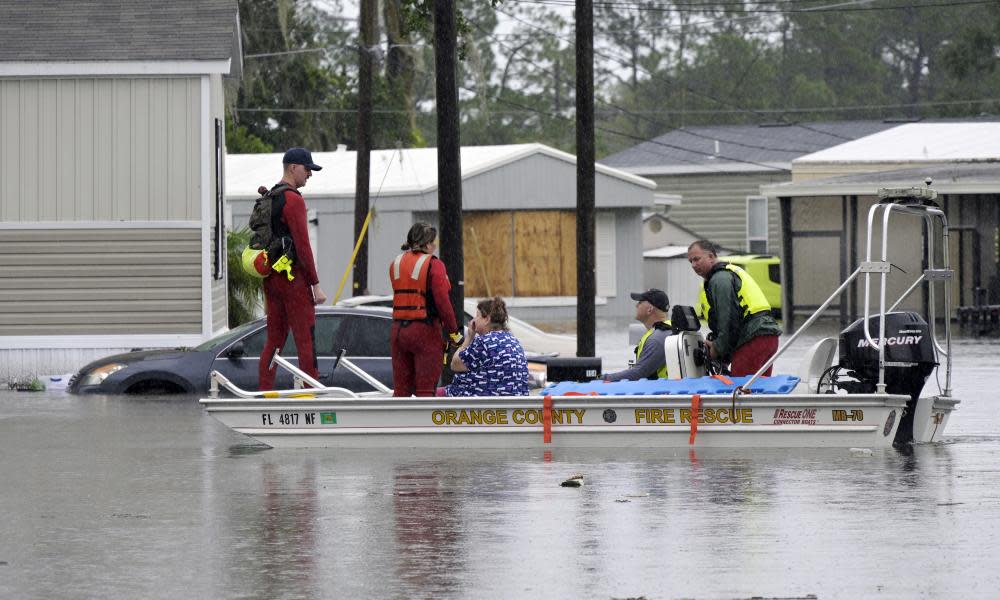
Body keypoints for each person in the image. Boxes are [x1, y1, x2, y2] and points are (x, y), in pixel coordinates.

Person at [259, 147, 328, 390]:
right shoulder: (293, 199)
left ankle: (265, 391)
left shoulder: (270, 197)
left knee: (274, 341)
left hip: (271, 279)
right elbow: (303, 246)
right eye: (307, 169)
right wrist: (315, 285)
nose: (310, 174)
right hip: (293, 280)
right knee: (305, 340)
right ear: (293, 168)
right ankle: (311, 395)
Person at [687, 239, 782, 377]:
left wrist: (717, 348)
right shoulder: (729, 272)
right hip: (769, 337)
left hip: (753, 338)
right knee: (759, 392)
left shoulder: (720, 279)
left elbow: (728, 318)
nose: (694, 265)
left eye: (697, 259)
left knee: (739, 392)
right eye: (691, 262)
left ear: (711, 257)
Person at [390, 223, 461, 396]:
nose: (434, 246)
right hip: (425, 332)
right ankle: (423, 424)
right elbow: (443, 303)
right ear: (427, 244)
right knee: (425, 392)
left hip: (398, 332)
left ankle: (400, 423)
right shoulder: (434, 265)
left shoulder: (396, 263)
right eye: (433, 243)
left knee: (401, 391)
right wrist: (454, 333)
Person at [441, 296, 529, 396]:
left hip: (479, 401)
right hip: (509, 401)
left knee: (430, 395)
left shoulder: (483, 342)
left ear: (486, 319)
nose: (473, 320)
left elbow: (455, 364)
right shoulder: (514, 341)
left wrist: (469, 337)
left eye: (477, 316)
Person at [603, 289, 673, 382]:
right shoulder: (667, 330)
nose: (636, 305)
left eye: (640, 302)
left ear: (649, 309)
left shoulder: (658, 338)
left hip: (661, 393)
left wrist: (604, 378)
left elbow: (638, 373)